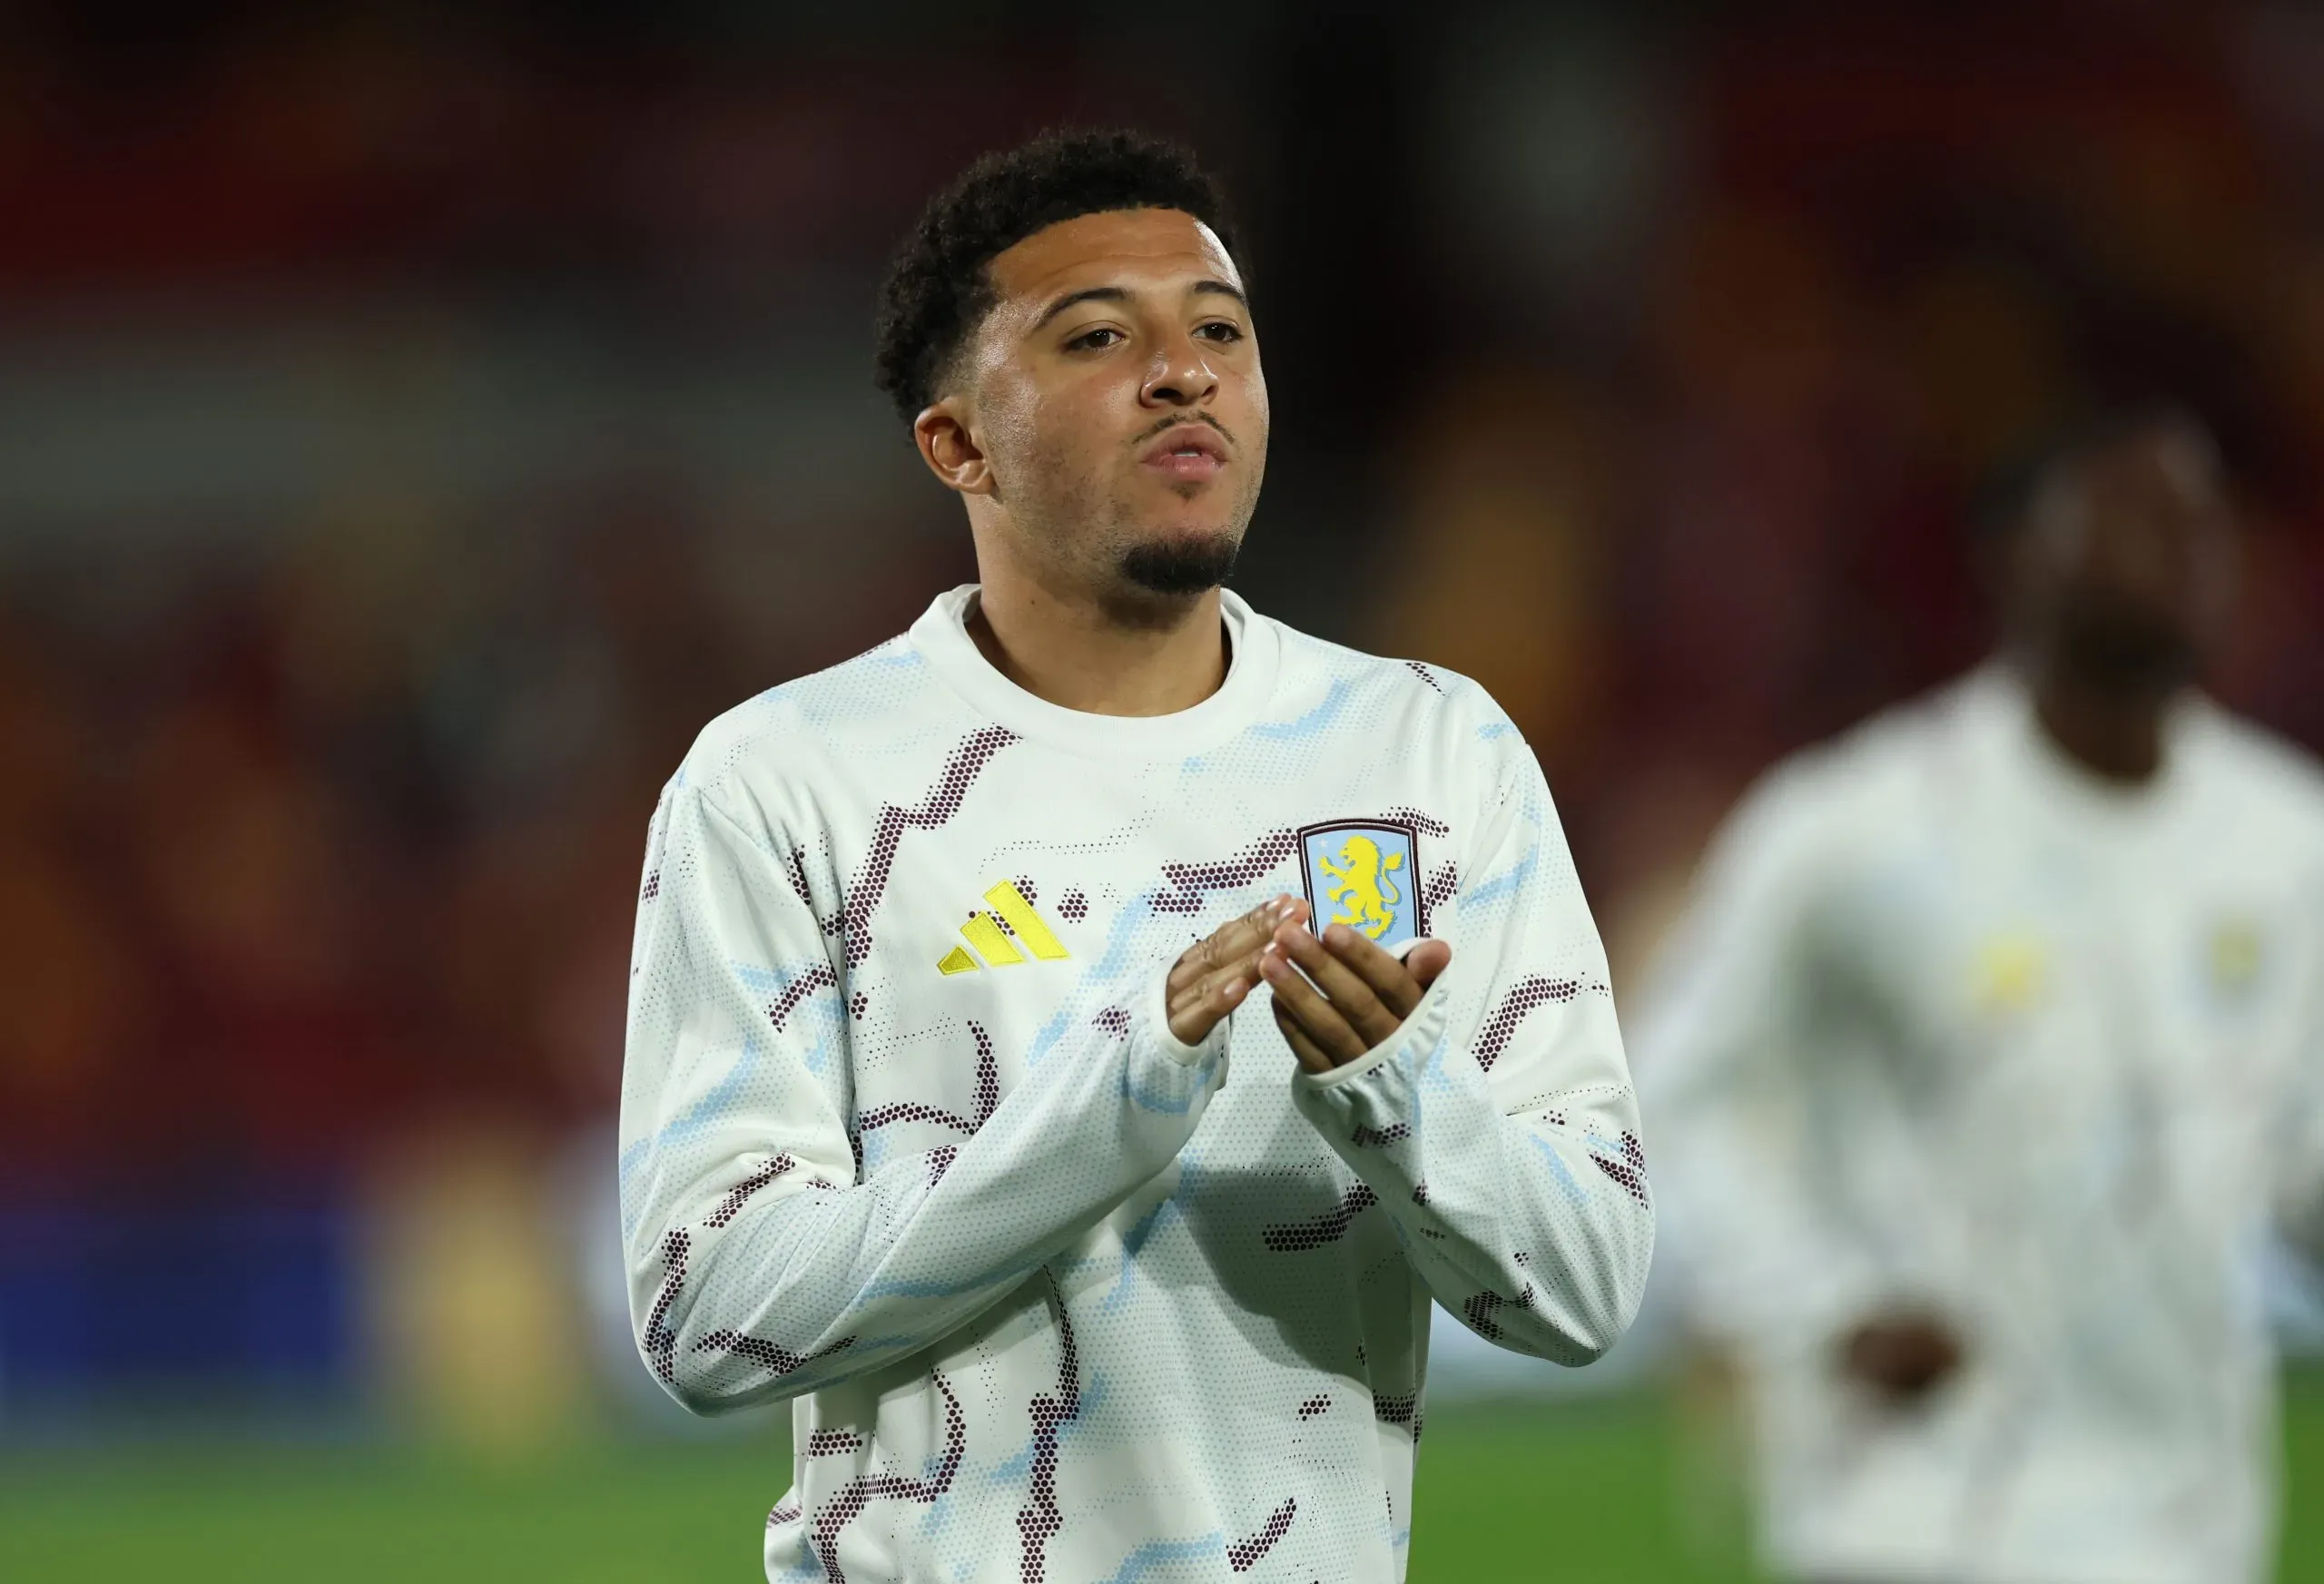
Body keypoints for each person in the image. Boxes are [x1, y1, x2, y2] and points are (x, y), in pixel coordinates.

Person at [616, 130, 1652, 1583]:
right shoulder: (786, 783)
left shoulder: (1432, 755)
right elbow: (707, 1315)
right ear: (959, 441)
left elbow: (1591, 1285)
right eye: (1100, 336)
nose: (1187, 371)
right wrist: (1124, 1090)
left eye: (1220, 331)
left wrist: (1400, 1093)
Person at [1639, 405, 2324, 1584]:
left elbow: (2301, 1165)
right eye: (2128, 516)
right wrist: (1820, 1303)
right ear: (2016, 557)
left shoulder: (2287, 842)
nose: (2179, 551)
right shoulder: (1855, 831)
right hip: (1912, 1518)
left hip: (2190, 1529)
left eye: (2202, 524)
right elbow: (1665, 1096)